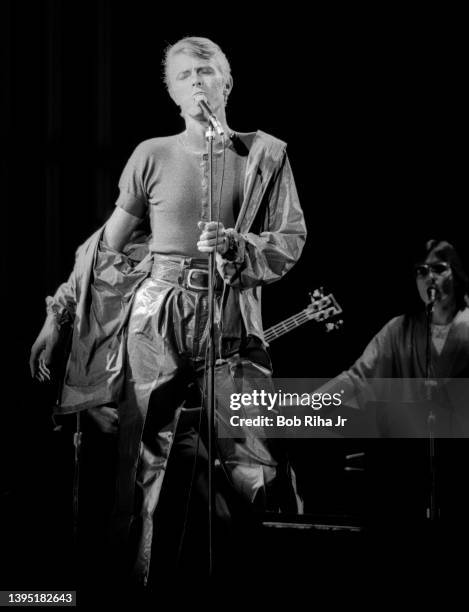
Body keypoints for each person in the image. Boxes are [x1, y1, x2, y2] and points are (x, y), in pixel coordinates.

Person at [30, 36, 306, 585]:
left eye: (205, 71)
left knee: (253, 462)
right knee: (142, 468)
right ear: (172, 93)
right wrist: (58, 314)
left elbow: (290, 238)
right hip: (155, 320)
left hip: (230, 321)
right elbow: (104, 250)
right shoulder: (151, 155)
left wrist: (236, 246)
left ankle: (271, 576)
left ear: (227, 82)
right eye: (183, 76)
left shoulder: (266, 155)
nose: (196, 82)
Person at [314, 239, 469, 529]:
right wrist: (309, 405)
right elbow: (358, 378)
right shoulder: (401, 329)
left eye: (438, 268)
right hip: (409, 467)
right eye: (421, 271)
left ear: (458, 273)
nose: (429, 278)